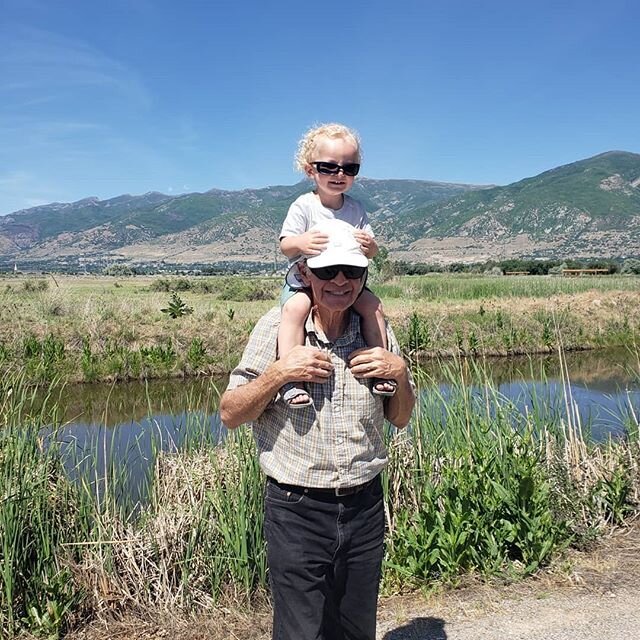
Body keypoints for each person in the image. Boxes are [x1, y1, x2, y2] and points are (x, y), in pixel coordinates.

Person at [220, 219, 416, 640]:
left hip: (364, 506)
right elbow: (230, 413)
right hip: (297, 510)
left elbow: (400, 417)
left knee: (355, 629)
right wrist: (278, 374)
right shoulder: (276, 329)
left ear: (365, 276)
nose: (340, 281)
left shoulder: (376, 331)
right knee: (300, 632)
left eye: (352, 271)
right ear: (306, 273)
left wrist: (399, 374)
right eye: (327, 271)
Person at [278, 123, 396, 408]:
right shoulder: (303, 206)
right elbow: (285, 246)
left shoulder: (355, 209)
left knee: (373, 307)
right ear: (310, 170)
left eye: (349, 168)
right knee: (294, 309)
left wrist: (371, 248)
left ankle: (381, 363)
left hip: (350, 277)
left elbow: (372, 248)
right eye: (328, 167)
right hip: (306, 279)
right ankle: (290, 377)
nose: (339, 174)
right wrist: (301, 242)